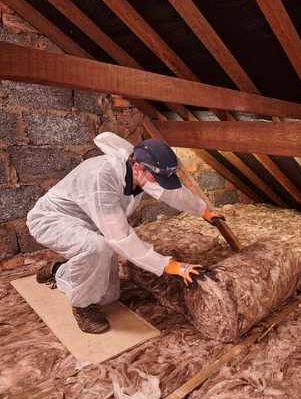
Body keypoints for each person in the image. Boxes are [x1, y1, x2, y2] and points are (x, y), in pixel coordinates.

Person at [27, 132, 225, 334]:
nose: (159, 184)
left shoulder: (141, 171)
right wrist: (170, 265)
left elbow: (171, 191)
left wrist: (203, 210)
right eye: (155, 178)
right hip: (53, 219)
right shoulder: (102, 177)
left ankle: (58, 270)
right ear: (137, 168)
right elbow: (120, 238)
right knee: (99, 247)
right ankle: (82, 306)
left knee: (109, 295)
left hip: (89, 221)